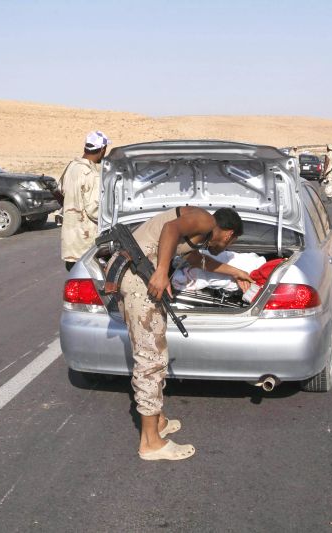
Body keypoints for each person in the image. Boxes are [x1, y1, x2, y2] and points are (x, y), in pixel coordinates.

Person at [115, 206, 252, 461]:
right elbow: (171, 229)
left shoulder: (199, 227)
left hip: (135, 274)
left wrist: (234, 273)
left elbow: (194, 260)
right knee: (150, 361)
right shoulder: (205, 220)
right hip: (139, 280)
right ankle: (151, 443)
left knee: (154, 353)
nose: (225, 248)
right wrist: (161, 271)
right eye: (231, 243)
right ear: (229, 234)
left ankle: (158, 422)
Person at [60, 131, 109, 271]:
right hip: (86, 246)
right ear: (102, 149)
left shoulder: (71, 167)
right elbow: (94, 210)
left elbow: (61, 191)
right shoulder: (92, 175)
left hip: (70, 243)